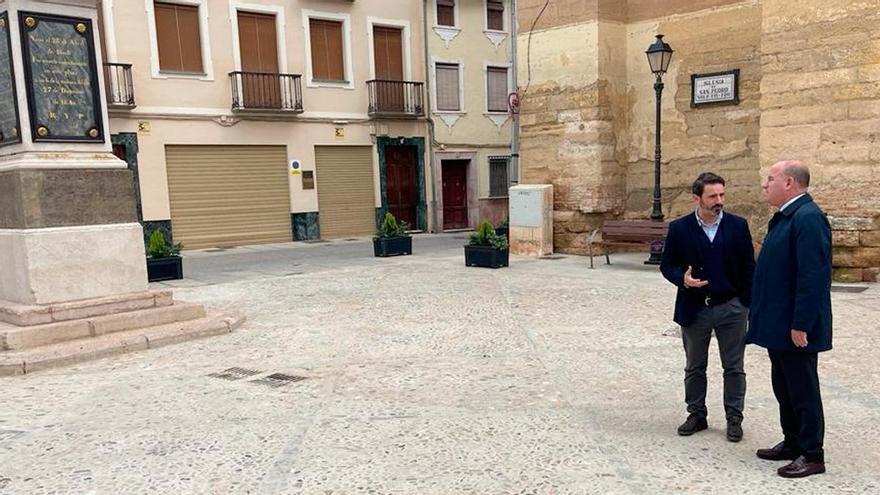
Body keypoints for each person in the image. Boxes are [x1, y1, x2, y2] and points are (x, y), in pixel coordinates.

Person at [747, 160, 832, 478]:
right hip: (778, 323)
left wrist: (801, 324)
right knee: (784, 386)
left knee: (803, 388)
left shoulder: (808, 218)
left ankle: (812, 454)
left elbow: (813, 277)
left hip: (795, 327)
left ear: (790, 183)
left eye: (770, 179)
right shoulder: (785, 217)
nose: (765, 185)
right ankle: (792, 441)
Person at [661, 172, 755, 442]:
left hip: (731, 308)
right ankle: (696, 413)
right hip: (695, 308)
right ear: (697, 198)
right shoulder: (680, 228)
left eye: (722, 195)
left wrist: (745, 303)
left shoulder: (738, 226)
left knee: (734, 366)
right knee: (694, 366)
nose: (719, 201)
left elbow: (749, 267)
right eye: (713, 196)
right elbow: (667, 265)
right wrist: (684, 280)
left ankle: (734, 417)